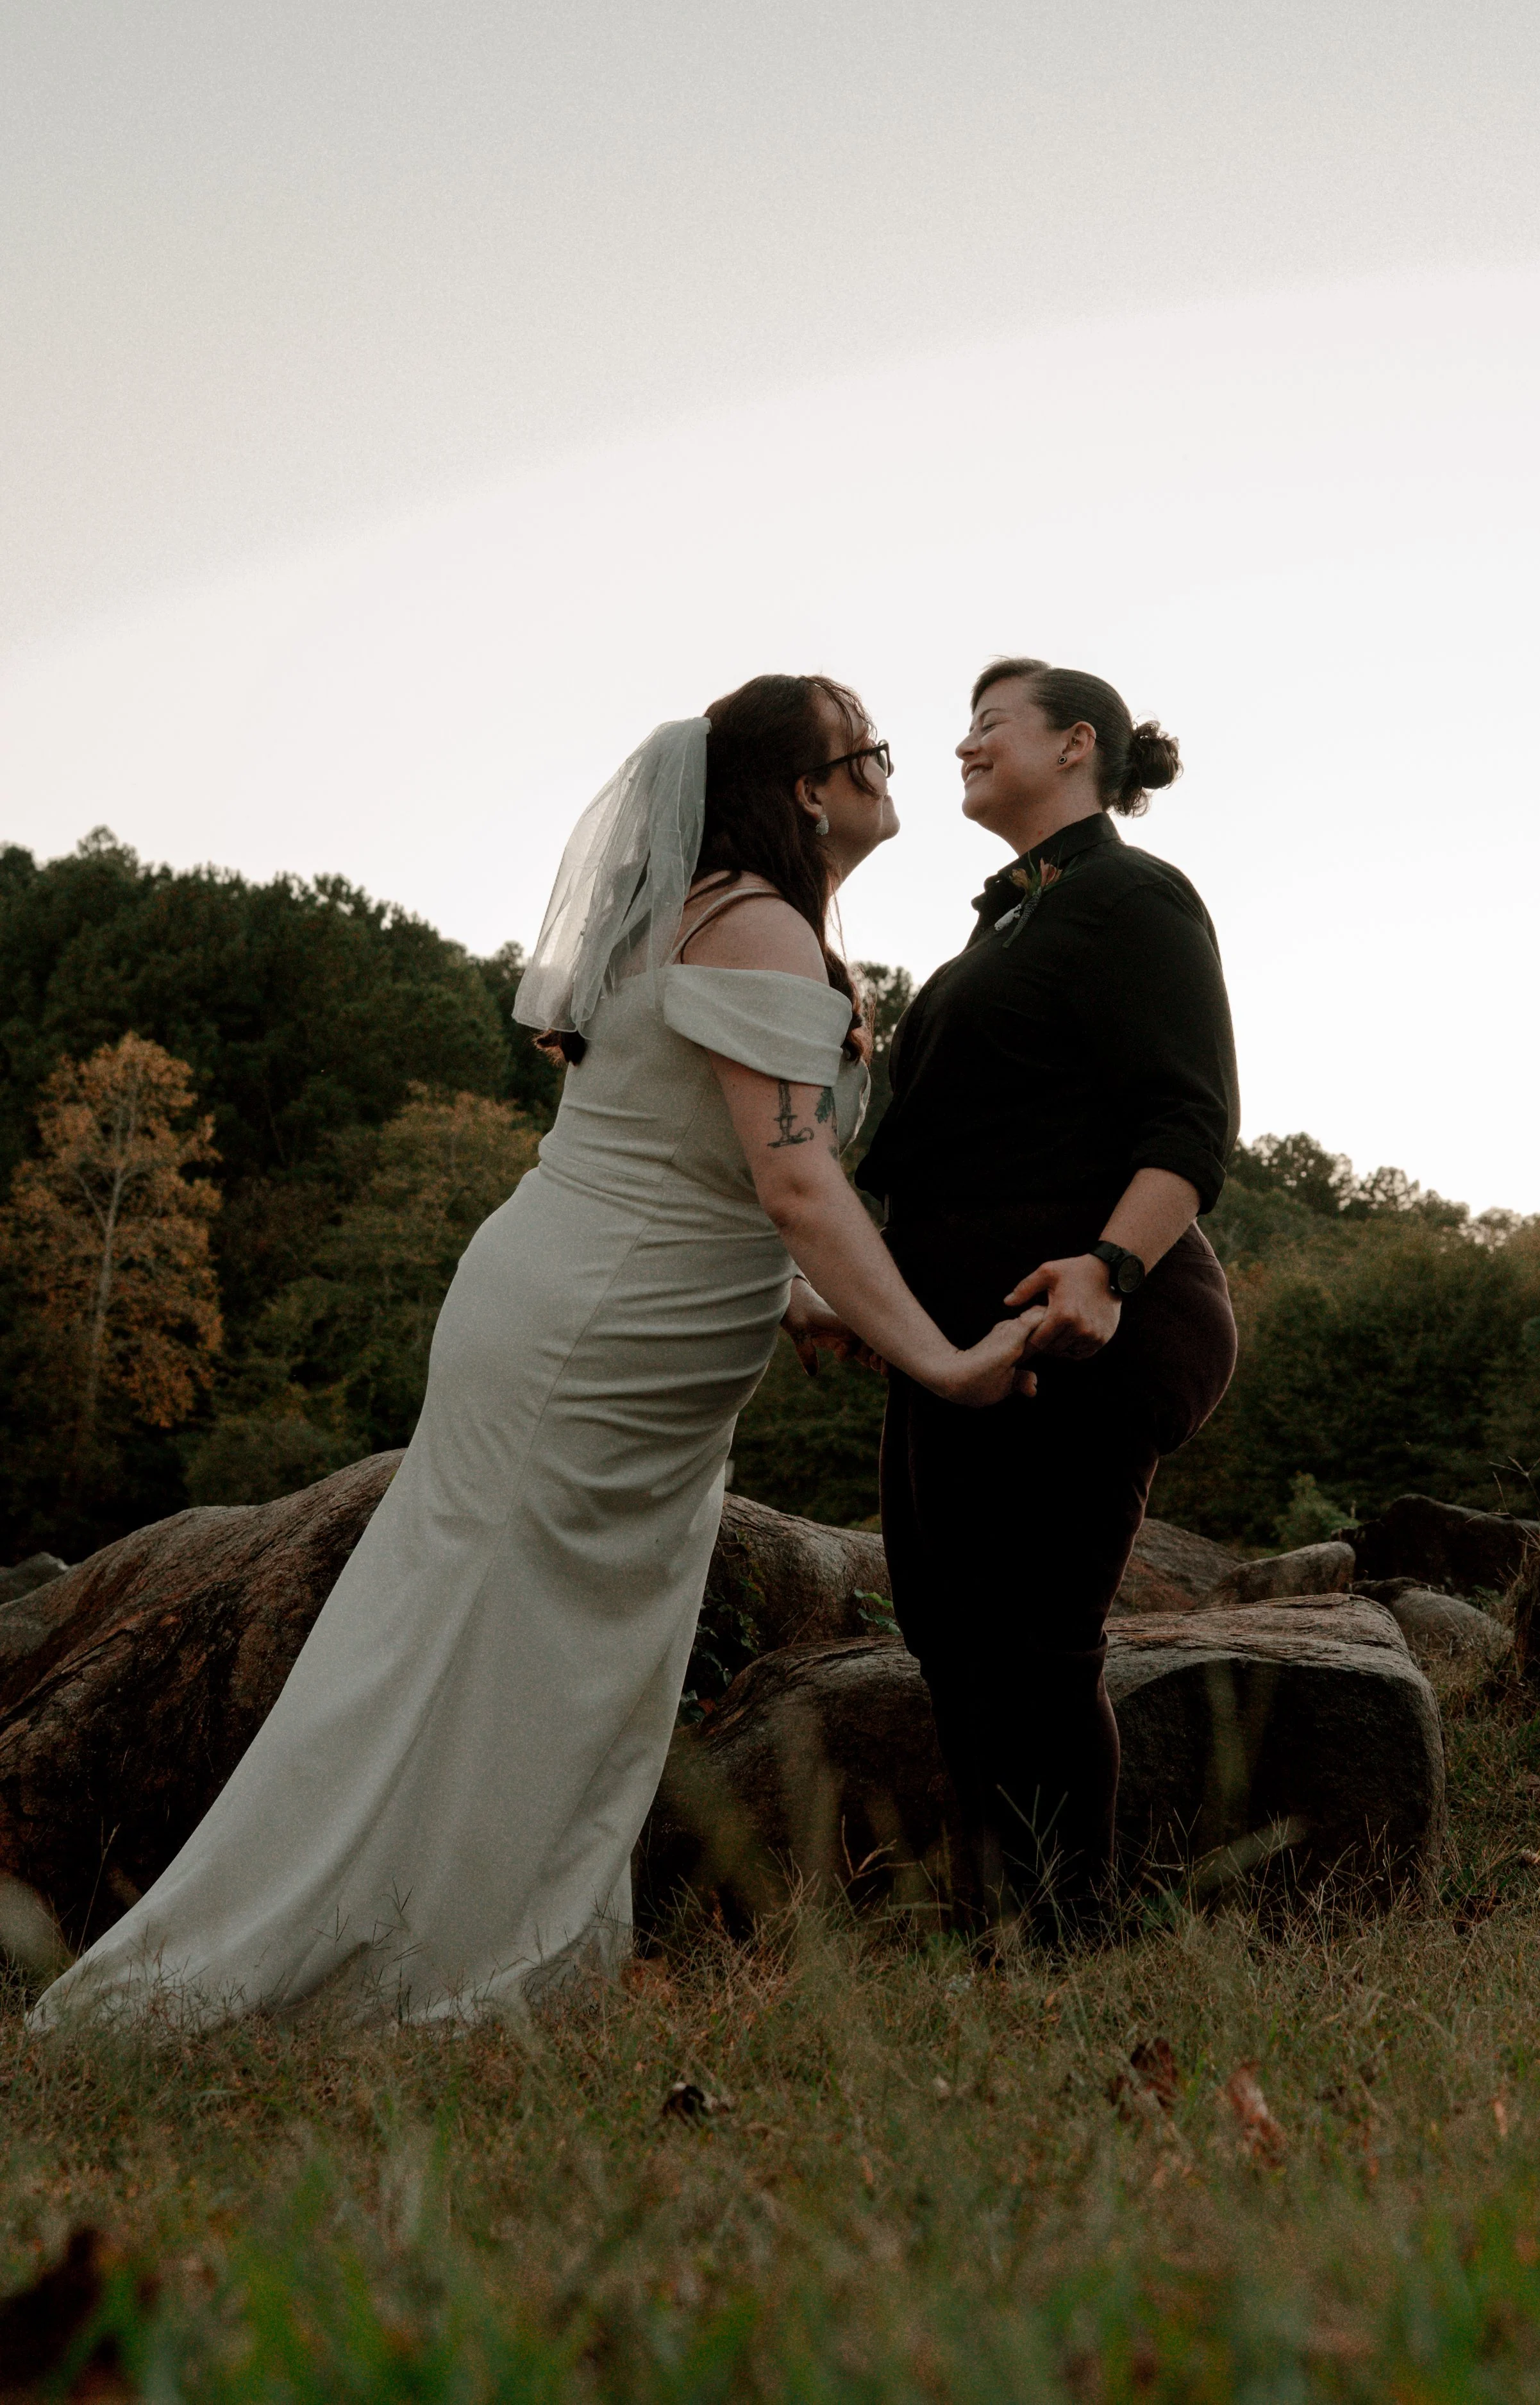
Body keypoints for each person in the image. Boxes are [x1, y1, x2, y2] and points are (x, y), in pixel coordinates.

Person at [29, 674, 1040, 2031]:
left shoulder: (722, 912)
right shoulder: (754, 926)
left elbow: (679, 1156)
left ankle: (491, 1946)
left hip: (609, 1327)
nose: (888, 772)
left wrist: (797, 1300)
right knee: (471, 1653)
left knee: (539, 1663)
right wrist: (939, 1358)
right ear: (809, 791)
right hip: (595, 1343)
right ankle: (338, 1961)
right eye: (872, 751)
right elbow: (795, 1180)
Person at [855, 659, 1240, 1938]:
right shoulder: (1010, 921)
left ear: (1077, 744)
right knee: (951, 1636)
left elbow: (1190, 1119)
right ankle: (1004, 1929)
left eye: (988, 724)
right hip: (956, 1338)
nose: (961, 745)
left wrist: (1111, 1267)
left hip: (1077, 1328)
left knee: (1030, 1641)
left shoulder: (1132, 895)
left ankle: (1065, 1939)